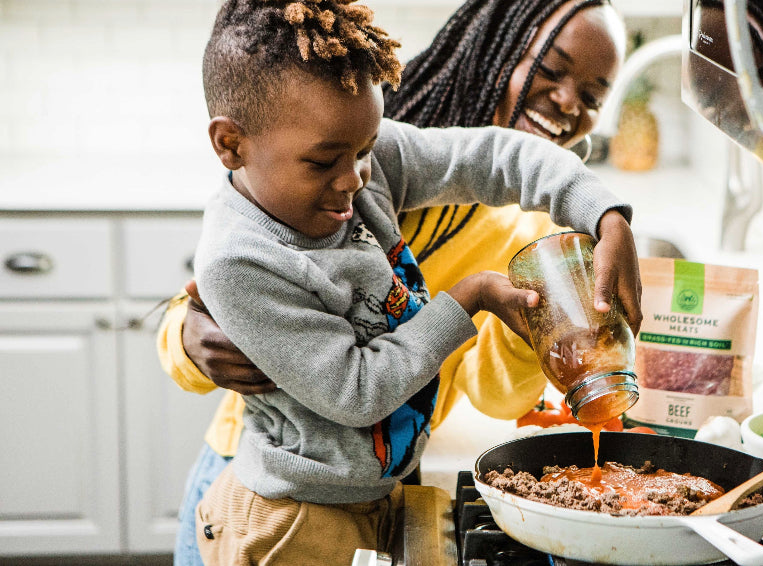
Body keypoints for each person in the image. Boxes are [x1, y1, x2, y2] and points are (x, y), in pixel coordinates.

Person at [160, 0, 627, 562]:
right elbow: (356, 391)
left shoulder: (358, 144)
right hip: (287, 510)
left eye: (595, 95)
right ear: (231, 146)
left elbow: (494, 156)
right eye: (551, 70)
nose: (356, 179)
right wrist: (185, 340)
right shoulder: (299, 162)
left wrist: (604, 212)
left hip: (377, 486)